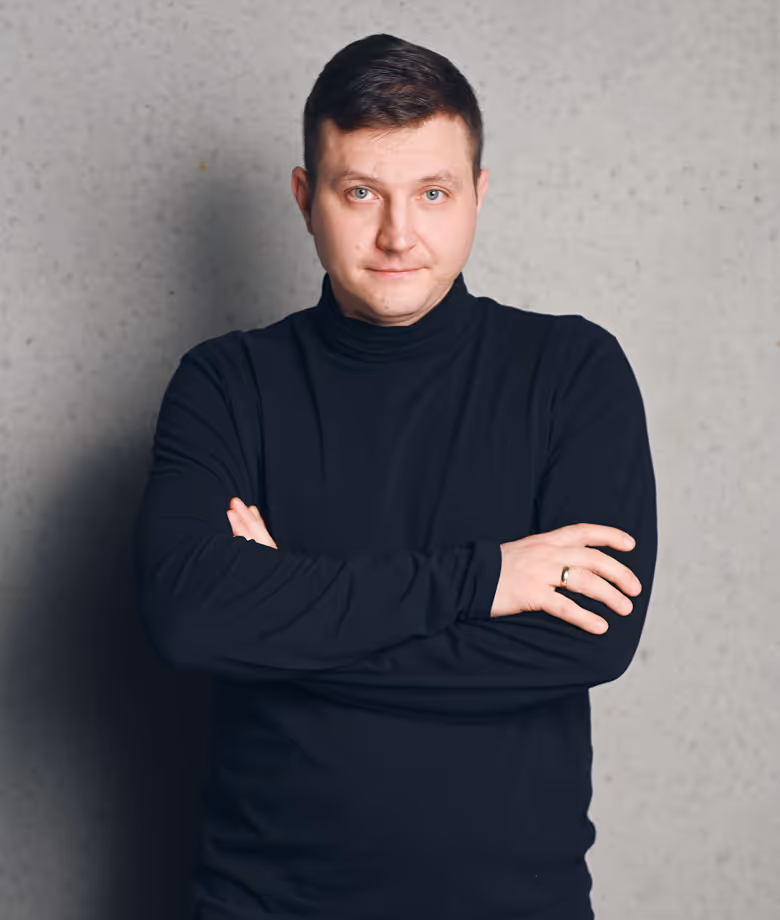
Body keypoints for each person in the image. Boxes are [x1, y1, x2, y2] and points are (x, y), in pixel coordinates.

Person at [132, 32, 657, 920]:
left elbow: (591, 638)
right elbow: (192, 619)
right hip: (263, 904)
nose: (397, 234)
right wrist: (487, 579)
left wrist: (284, 619)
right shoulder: (227, 384)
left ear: (479, 198)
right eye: (361, 191)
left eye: (434, 193)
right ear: (307, 198)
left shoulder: (573, 369)